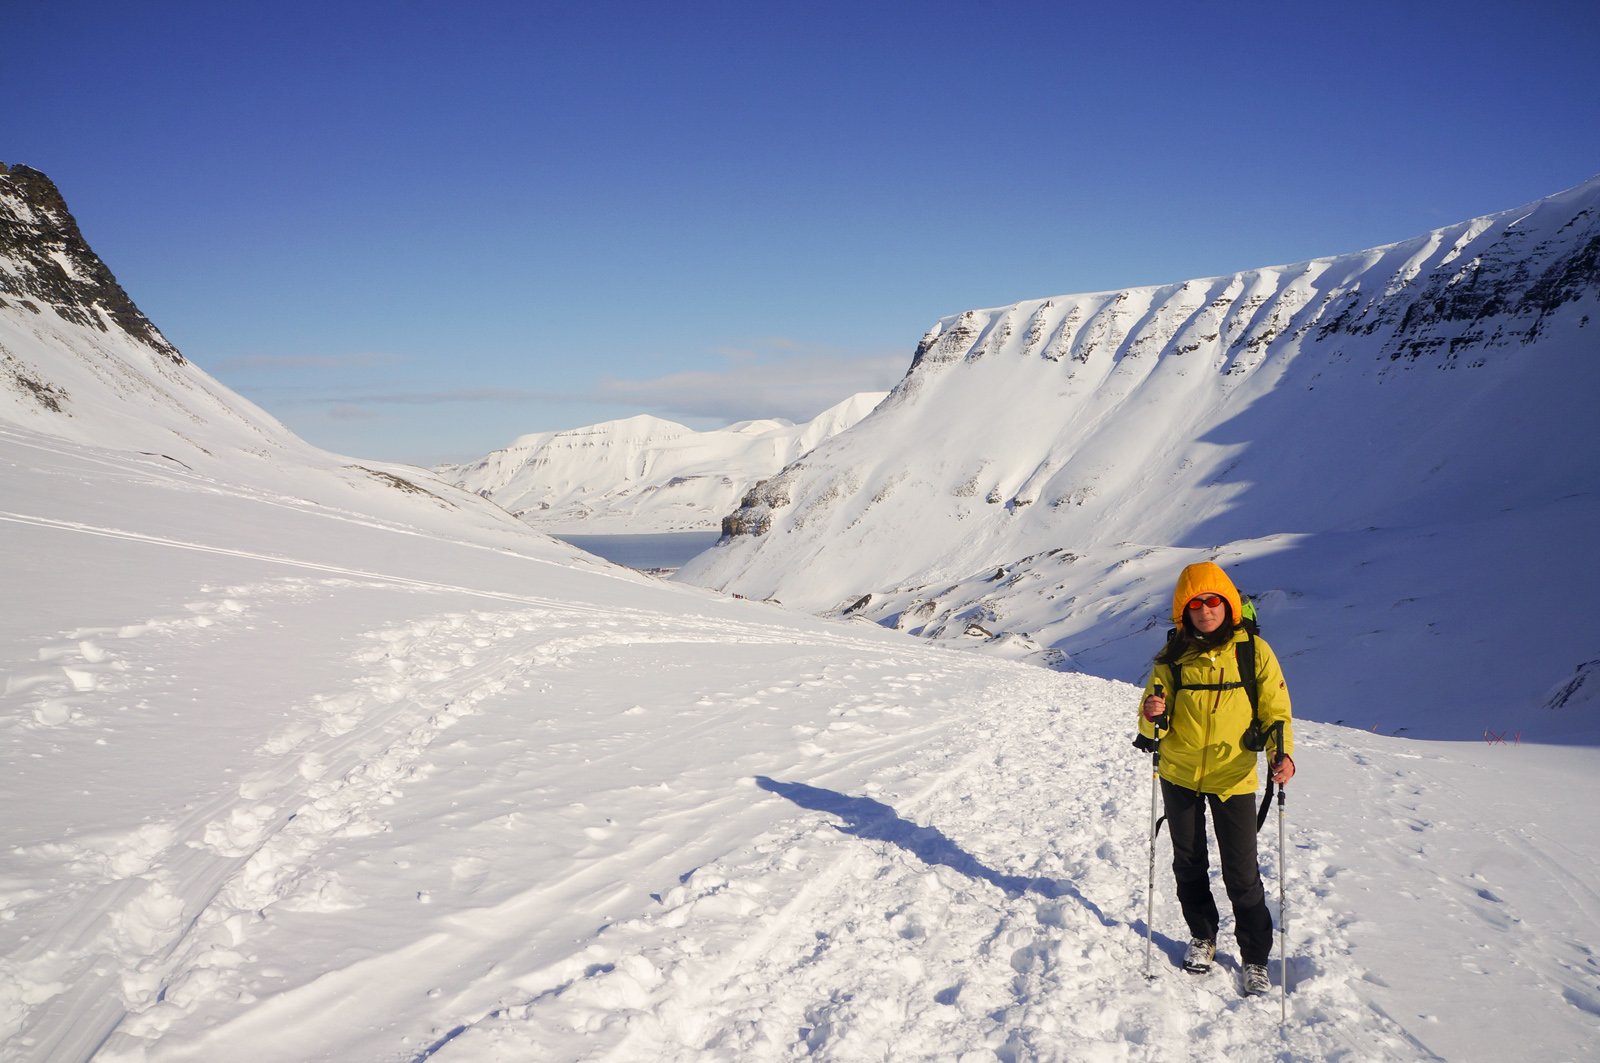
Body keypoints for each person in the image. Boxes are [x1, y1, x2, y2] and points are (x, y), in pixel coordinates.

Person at [1134, 561, 1294, 996]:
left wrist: (1282, 756)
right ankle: (1202, 936)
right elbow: (1151, 723)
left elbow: (1276, 713)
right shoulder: (1172, 656)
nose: (1205, 610)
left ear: (1228, 605)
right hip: (1179, 772)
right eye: (1195, 604)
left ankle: (1255, 957)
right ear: (1183, 610)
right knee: (1188, 863)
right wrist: (1151, 714)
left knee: (1241, 872)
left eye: (1212, 601)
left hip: (1233, 775)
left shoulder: (1253, 652)